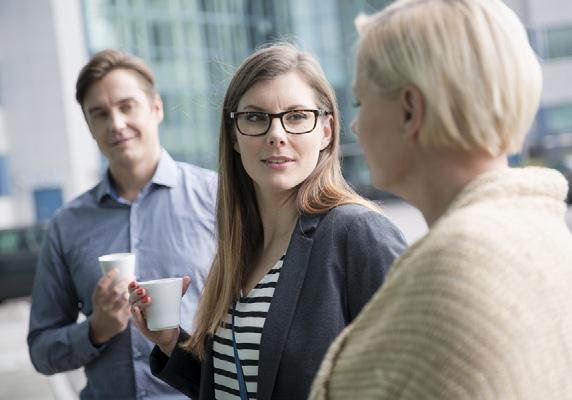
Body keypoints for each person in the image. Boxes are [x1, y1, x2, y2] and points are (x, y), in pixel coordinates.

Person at [310, 0, 572, 398]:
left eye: (362, 102)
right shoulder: (540, 230)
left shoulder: (460, 266)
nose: (357, 127)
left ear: (410, 110)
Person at [128, 43, 407, 400]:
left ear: (326, 130)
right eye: (256, 117)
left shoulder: (356, 233)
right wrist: (170, 342)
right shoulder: (239, 247)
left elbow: (421, 378)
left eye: (296, 116)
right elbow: (239, 383)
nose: (276, 134)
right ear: (233, 135)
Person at [27, 49, 217, 399]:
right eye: (100, 114)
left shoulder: (217, 199)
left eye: (127, 106)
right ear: (89, 127)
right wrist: (95, 330)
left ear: (156, 108)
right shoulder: (66, 225)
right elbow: (41, 350)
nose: (115, 124)